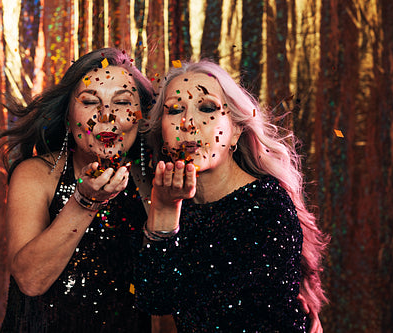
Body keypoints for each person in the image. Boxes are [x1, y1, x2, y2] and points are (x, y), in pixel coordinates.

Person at [135, 60, 329, 332]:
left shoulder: (266, 207)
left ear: (236, 129)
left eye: (207, 108)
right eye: (175, 110)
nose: (188, 123)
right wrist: (165, 211)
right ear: (162, 131)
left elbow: (206, 317)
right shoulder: (172, 201)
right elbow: (153, 300)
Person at [0, 48, 155, 332]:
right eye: (90, 101)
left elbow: (166, 295)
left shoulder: (154, 182)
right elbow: (30, 280)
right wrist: (86, 200)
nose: (106, 115)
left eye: (122, 102)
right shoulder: (37, 175)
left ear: (142, 117)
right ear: (67, 117)